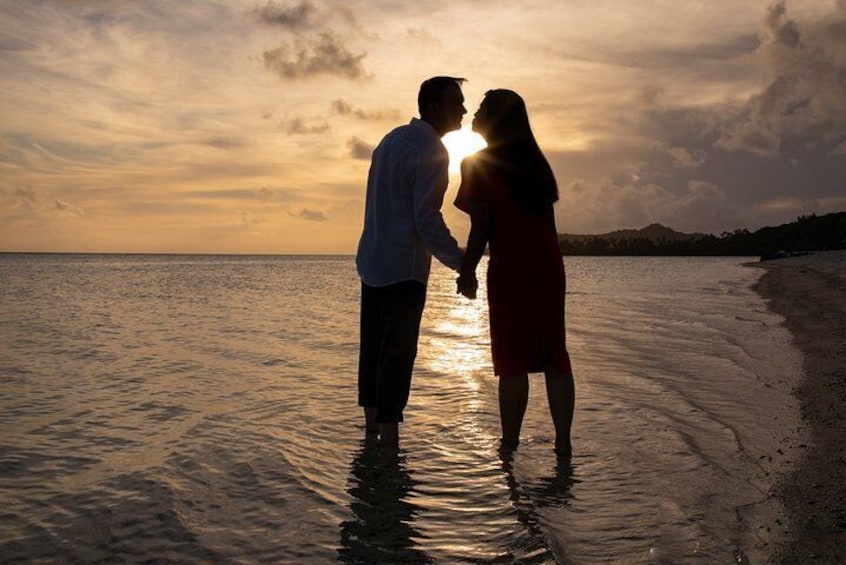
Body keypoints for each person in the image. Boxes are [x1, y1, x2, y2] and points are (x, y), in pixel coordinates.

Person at [455, 89, 575, 458]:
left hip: (511, 267)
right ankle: (563, 446)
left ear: (496, 118)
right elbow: (547, 225)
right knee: (554, 354)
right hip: (548, 265)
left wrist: (467, 272)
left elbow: (481, 227)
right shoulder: (536, 164)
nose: (473, 114)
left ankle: (509, 447)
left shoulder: (476, 163)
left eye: (481, 108)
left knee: (511, 361)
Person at [356, 76, 467, 446]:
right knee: (398, 355)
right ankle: (390, 443)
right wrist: (461, 263)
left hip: (372, 261)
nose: (464, 110)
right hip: (403, 268)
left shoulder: (390, 140)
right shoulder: (432, 151)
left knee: (372, 350)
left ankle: (371, 434)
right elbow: (426, 218)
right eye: (457, 103)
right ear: (433, 107)